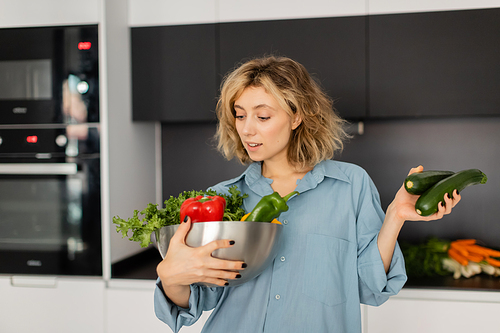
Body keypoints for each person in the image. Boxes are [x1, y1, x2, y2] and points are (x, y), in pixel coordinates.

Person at [154, 56, 461, 333]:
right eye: (239, 115)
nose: (247, 129)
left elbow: (370, 288)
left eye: (262, 117)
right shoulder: (221, 199)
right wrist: (171, 278)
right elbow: (200, 298)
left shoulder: (351, 186)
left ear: (296, 116)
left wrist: (394, 216)